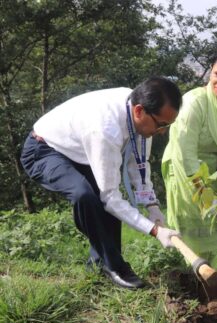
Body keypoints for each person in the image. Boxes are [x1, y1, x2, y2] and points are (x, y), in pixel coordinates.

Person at [20, 76, 183, 289]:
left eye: (168, 125)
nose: (162, 131)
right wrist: (154, 230)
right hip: (43, 150)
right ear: (139, 111)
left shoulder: (139, 112)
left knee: (103, 192)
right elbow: (111, 199)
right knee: (85, 195)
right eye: (161, 124)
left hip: (79, 150)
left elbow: (139, 166)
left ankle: (98, 266)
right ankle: (114, 266)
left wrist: (152, 206)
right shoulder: (105, 130)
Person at [162, 48, 217, 269]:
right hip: (186, 171)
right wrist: (202, 190)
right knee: (192, 224)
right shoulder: (194, 103)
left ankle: (214, 273)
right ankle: (188, 274)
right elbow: (184, 153)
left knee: (216, 225)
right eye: (216, 73)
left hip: (215, 172)